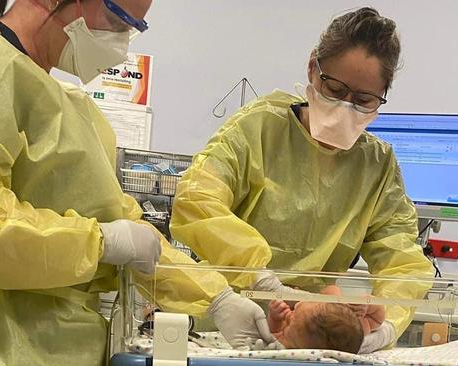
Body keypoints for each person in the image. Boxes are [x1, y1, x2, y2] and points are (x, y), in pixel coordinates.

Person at [0, 0, 275, 364]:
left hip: (52, 345)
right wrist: (101, 242)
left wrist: (217, 297)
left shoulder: (69, 106)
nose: (121, 43)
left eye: (134, 27)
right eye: (118, 19)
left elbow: (127, 229)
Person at [170, 7, 434, 354]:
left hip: (316, 335)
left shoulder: (376, 164)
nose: (345, 107)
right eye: (335, 89)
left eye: (363, 100)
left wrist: (382, 328)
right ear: (313, 68)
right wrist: (261, 281)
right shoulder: (260, 128)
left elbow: (403, 263)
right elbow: (197, 203)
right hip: (232, 319)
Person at [266, 286, 364, 352]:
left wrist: (274, 320)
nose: (297, 304)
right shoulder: (299, 337)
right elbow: (332, 288)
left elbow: (272, 335)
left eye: (293, 315)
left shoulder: (286, 345)